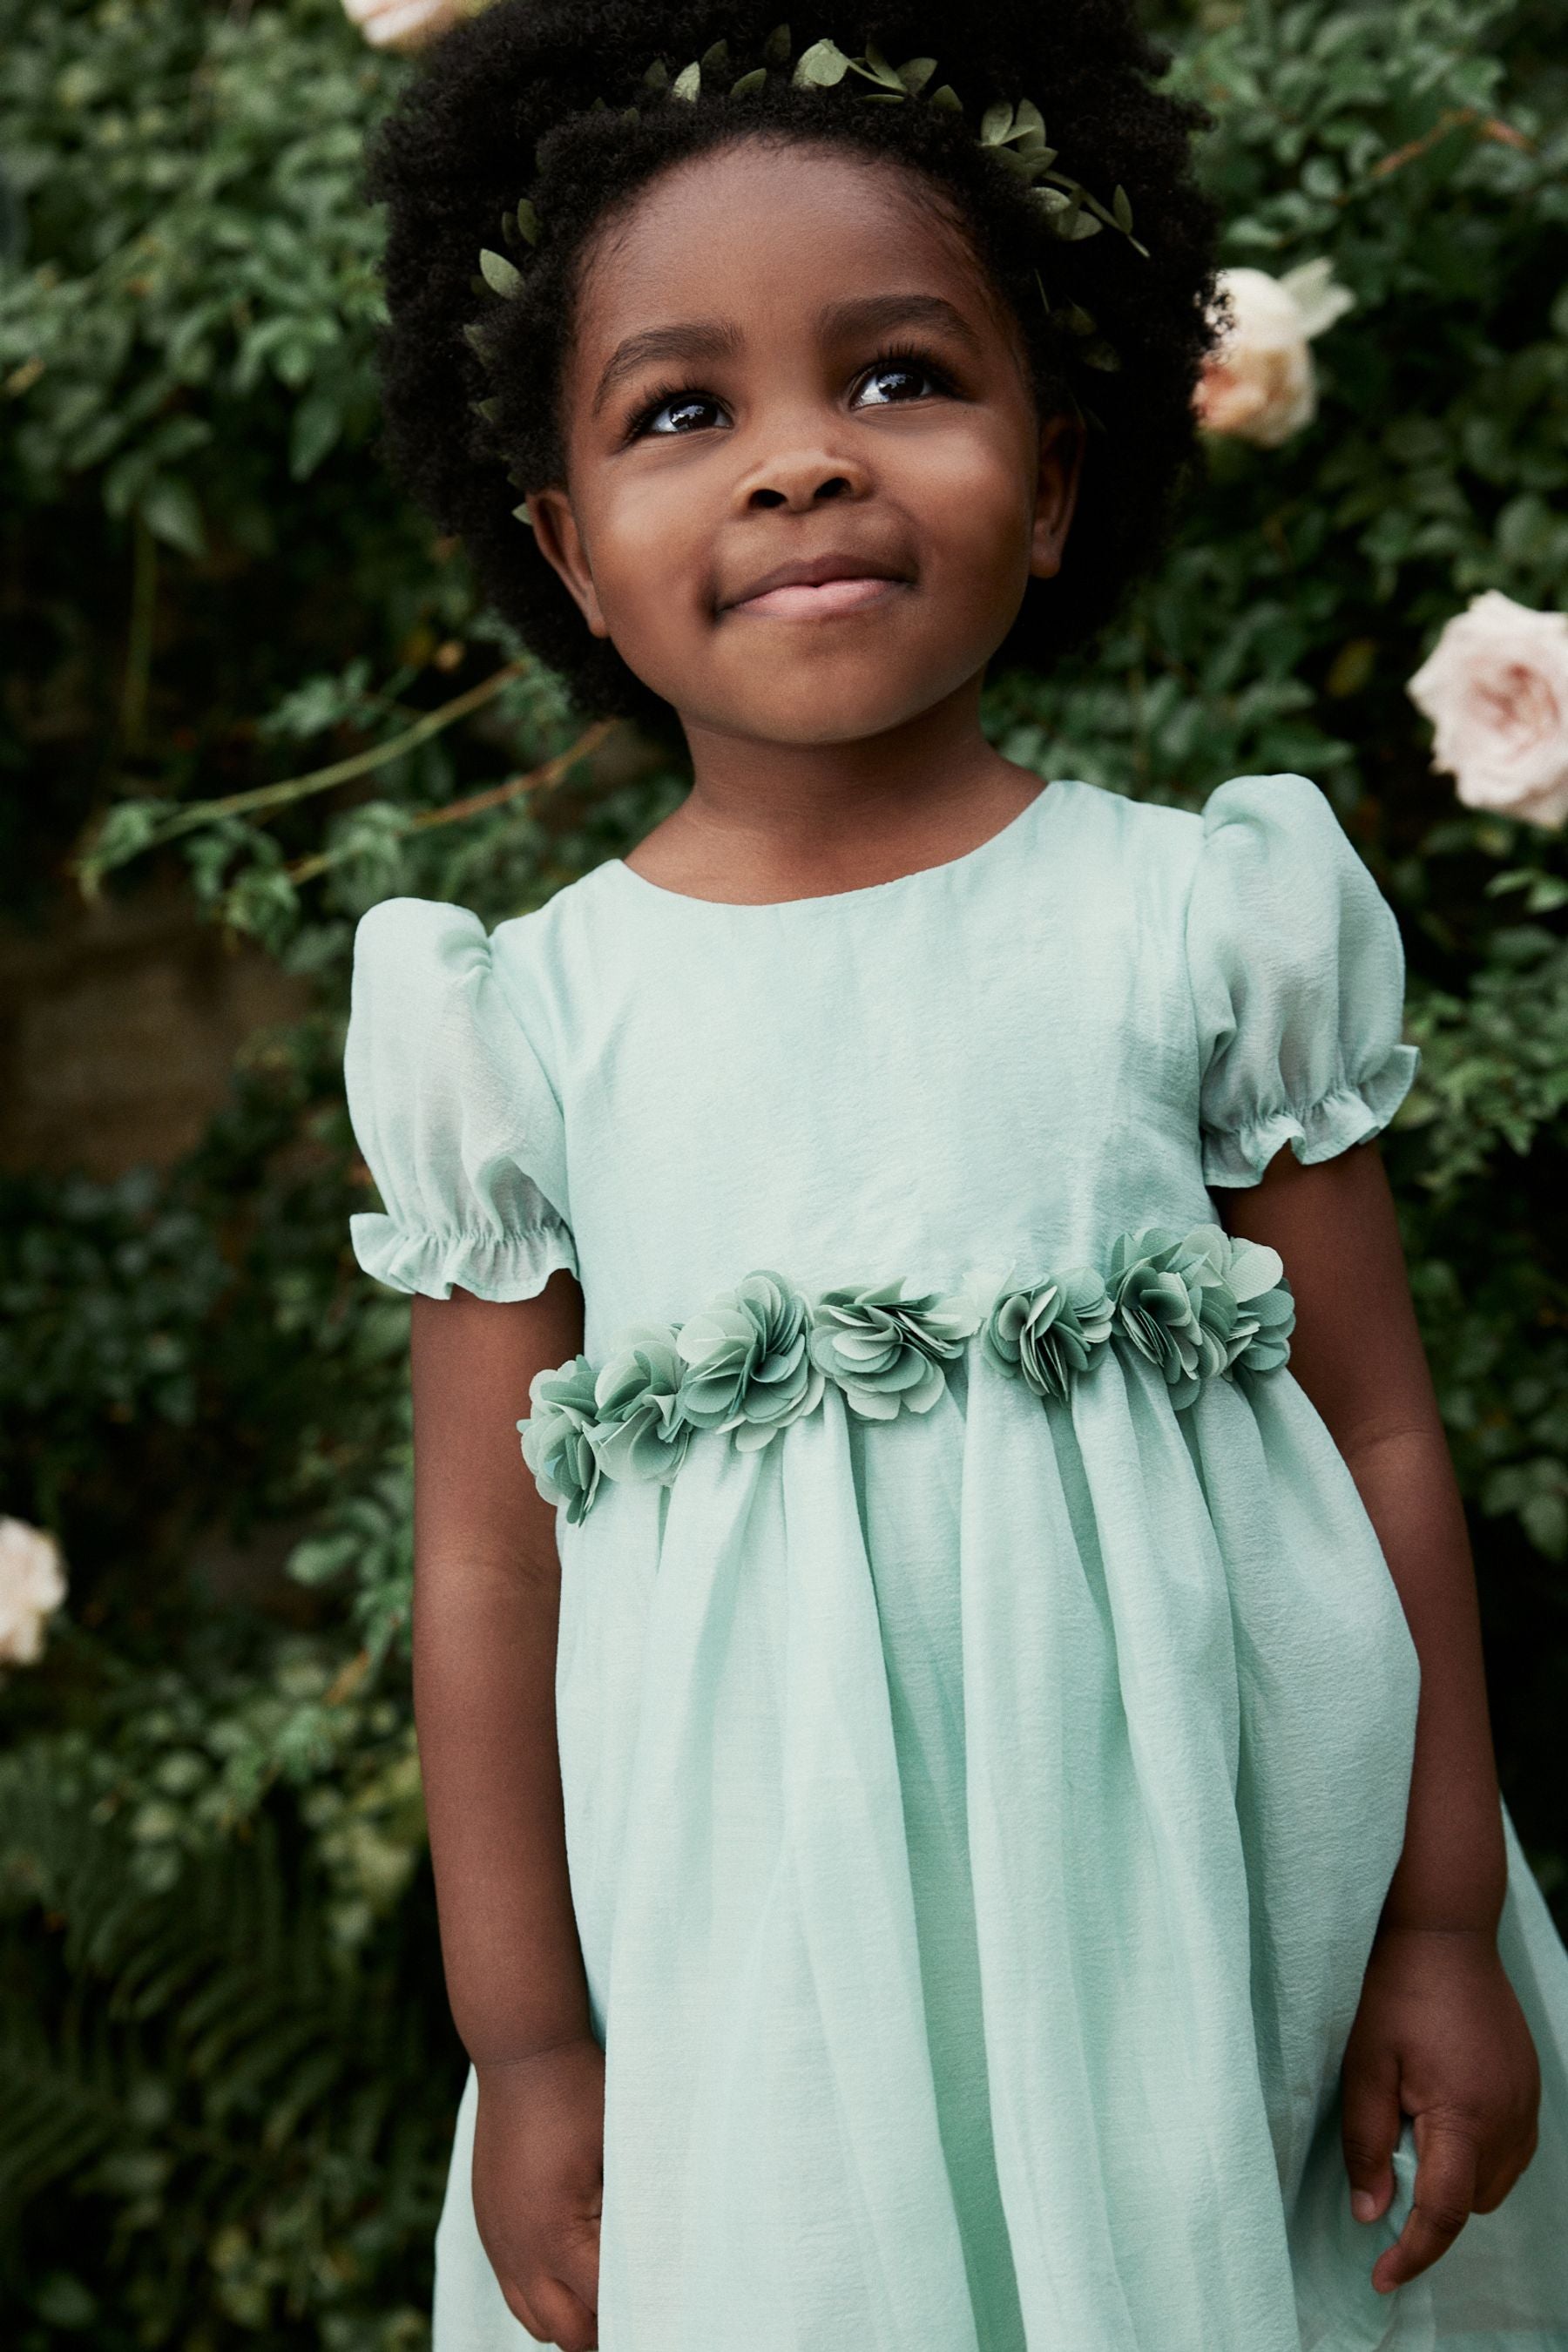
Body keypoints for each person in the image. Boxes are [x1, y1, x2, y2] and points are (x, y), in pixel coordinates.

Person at [344, 3, 1568, 2346]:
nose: (802, 464)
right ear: (569, 549)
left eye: (900, 375)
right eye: (684, 412)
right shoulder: (524, 1023)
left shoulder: (1202, 921)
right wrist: (530, 2044)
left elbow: (1385, 1425)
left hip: (1220, 1930)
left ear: (1063, 471)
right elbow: (488, 1568)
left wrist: (1430, 1920)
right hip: (773, 1979)